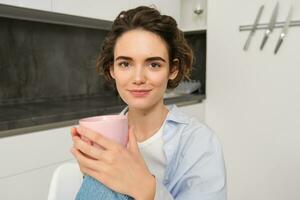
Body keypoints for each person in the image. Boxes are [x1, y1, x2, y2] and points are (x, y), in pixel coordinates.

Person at [70, 6, 226, 200]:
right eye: (125, 64)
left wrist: (146, 189)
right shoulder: (104, 135)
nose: (138, 78)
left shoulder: (198, 142)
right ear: (112, 69)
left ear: (173, 69)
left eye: (154, 64)